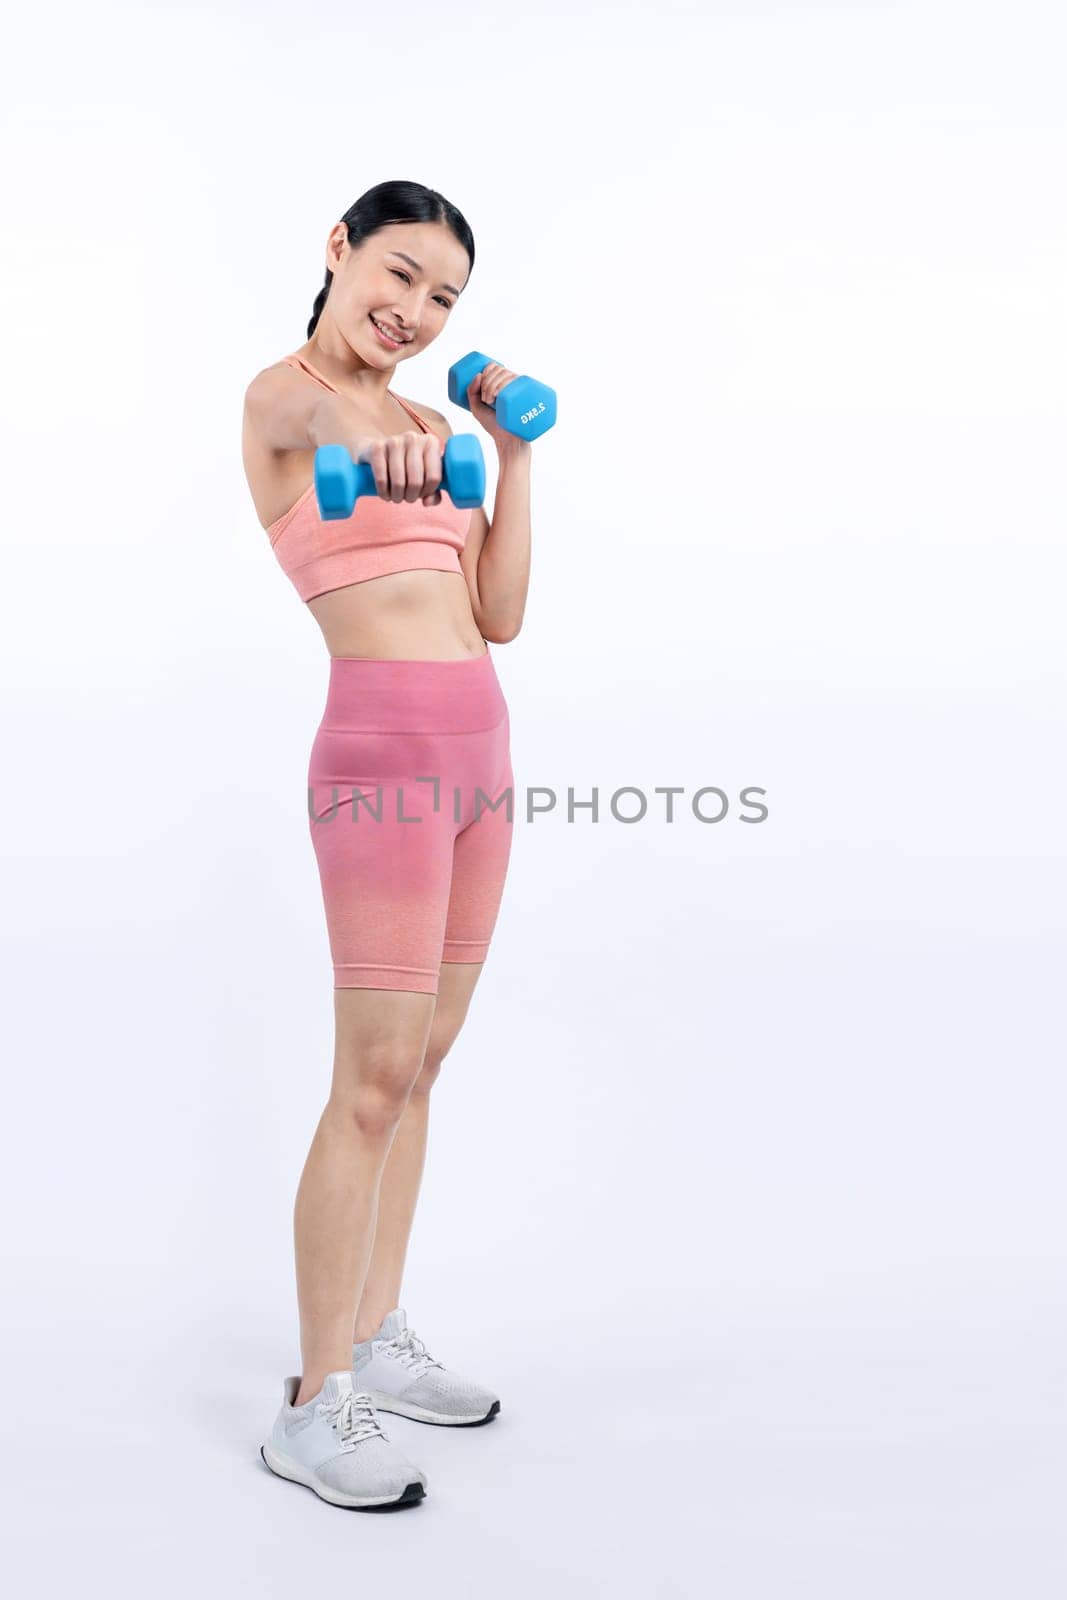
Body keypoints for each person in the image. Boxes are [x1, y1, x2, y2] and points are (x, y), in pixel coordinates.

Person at [240, 180, 533, 1509]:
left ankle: (376, 1332)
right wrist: (392, 452)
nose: (413, 313)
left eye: (443, 300)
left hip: (482, 755)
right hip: (379, 763)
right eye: (399, 275)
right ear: (338, 250)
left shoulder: (439, 424)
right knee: (367, 1079)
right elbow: (313, 422)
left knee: (419, 1069)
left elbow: (504, 611)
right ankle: (312, 1405)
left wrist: (508, 453)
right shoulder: (284, 405)